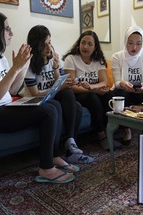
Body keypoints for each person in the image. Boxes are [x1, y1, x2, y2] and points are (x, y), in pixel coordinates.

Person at [0, 10, 78, 184]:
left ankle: (53, 156)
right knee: (47, 112)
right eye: (7, 29)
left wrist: (23, 66)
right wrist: (15, 68)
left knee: (55, 105)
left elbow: (13, 90)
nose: (11, 33)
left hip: (5, 105)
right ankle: (46, 168)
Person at [25, 25, 94, 164]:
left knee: (73, 99)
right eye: (44, 44)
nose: (48, 48)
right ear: (35, 45)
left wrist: (56, 68)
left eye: (49, 42)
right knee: (73, 101)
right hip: (36, 100)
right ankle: (69, 149)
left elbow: (60, 82)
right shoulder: (29, 65)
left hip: (52, 96)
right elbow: (36, 95)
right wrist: (58, 88)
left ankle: (70, 144)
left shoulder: (53, 59)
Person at [62, 30, 122, 150]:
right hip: (78, 93)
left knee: (109, 95)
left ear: (95, 47)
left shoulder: (98, 60)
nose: (85, 46)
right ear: (78, 44)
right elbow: (71, 85)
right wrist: (92, 90)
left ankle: (109, 131)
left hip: (92, 90)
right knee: (93, 98)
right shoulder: (71, 59)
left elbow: (104, 82)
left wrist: (92, 87)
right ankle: (101, 136)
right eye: (83, 43)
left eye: (90, 44)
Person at [111, 26, 143, 145]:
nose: (134, 47)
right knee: (120, 93)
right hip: (123, 89)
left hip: (140, 89)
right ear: (126, 41)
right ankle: (126, 129)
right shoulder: (117, 57)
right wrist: (122, 83)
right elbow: (116, 82)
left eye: (139, 43)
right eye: (130, 43)